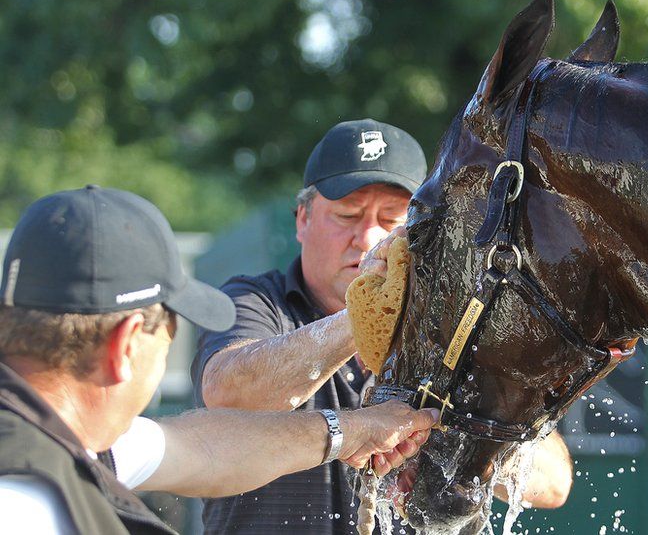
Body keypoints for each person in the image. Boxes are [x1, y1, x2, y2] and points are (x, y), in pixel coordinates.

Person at [193, 119, 573, 533]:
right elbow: (226, 392)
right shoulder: (254, 300)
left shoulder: (454, 330)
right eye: (347, 215)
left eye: (392, 218)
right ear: (302, 219)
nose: (368, 236)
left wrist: (452, 433)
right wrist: (366, 316)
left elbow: (551, 483)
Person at [0, 186, 438, 535]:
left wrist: (353, 431)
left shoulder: (71, 440)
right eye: (171, 332)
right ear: (126, 345)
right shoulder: (29, 505)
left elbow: (204, 448)